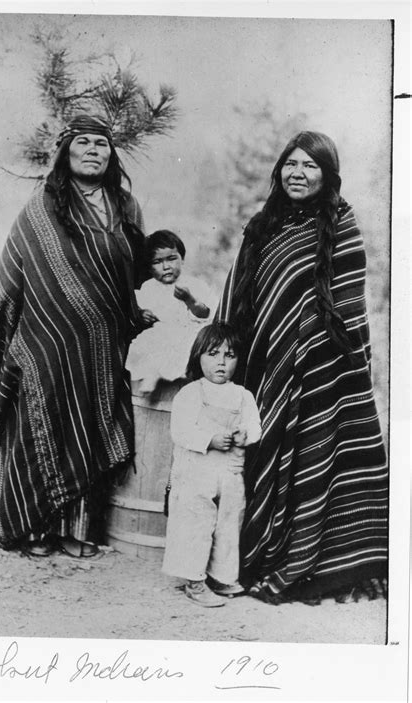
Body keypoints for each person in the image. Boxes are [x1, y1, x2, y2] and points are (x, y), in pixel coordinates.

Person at [218, 131, 388, 603]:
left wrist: (314, 347)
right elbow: (238, 297)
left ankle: (324, 563)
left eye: (309, 165)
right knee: (264, 451)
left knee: (315, 458)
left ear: (327, 174)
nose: (298, 173)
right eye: (290, 164)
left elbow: (350, 303)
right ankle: (260, 553)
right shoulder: (262, 224)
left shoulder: (342, 223)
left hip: (322, 371)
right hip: (266, 366)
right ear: (279, 171)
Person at [0, 113, 146, 557]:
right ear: (65, 152)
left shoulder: (126, 206)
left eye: (102, 144)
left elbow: (136, 271)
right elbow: (12, 273)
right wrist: (13, 332)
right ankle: (29, 529)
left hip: (106, 343)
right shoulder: (44, 204)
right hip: (47, 340)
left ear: (112, 154)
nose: (93, 150)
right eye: (83, 142)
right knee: (42, 421)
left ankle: (76, 533)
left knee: (88, 426)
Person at [162, 322, 262, 607]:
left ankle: (222, 575)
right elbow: (180, 431)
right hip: (197, 471)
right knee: (196, 523)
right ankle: (194, 580)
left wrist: (245, 435)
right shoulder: (191, 393)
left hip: (230, 471)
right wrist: (210, 439)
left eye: (229, 355)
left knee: (229, 522)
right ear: (198, 357)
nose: (221, 362)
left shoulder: (243, 396)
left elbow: (255, 427)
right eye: (213, 354)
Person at [127, 229, 216, 393]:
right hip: (161, 332)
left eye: (171, 259)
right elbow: (137, 309)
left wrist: (189, 300)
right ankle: (152, 374)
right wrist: (142, 314)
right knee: (146, 344)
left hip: (188, 332)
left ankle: (177, 379)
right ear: (149, 267)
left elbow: (205, 313)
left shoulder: (193, 284)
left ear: (182, 259)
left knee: (186, 347)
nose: (166, 266)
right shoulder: (149, 288)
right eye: (157, 262)